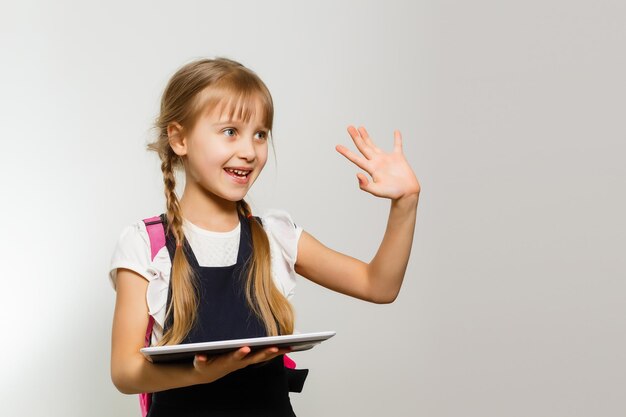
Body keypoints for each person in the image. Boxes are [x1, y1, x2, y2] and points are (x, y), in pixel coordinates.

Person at [109, 57, 420, 417]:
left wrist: (405, 203)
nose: (250, 150)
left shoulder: (275, 236)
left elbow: (378, 285)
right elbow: (124, 372)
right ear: (179, 138)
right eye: (230, 132)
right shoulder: (145, 245)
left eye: (260, 134)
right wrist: (196, 373)